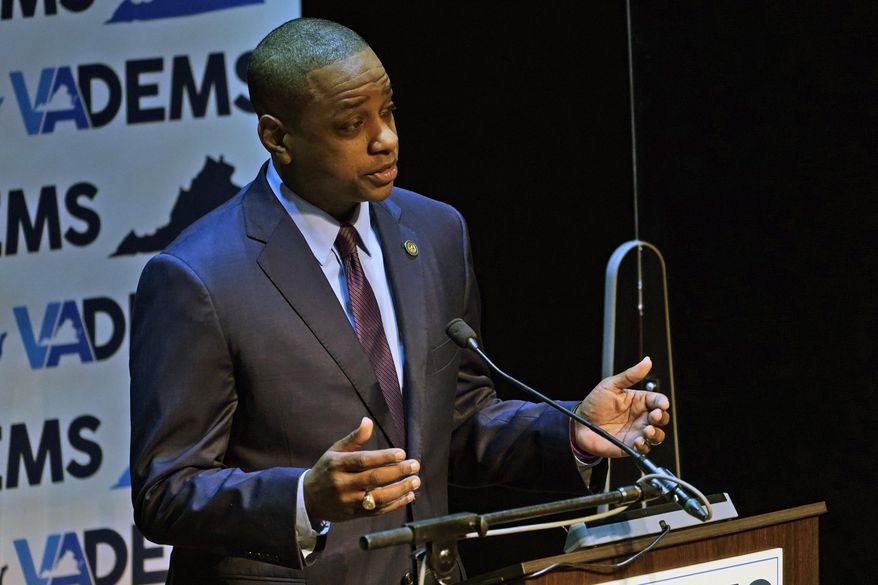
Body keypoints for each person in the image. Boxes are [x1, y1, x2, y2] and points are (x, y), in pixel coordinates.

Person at [129, 17, 670, 585]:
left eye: (387, 112)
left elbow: (458, 424)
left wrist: (571, 433)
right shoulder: (199, 277)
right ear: (277, 137)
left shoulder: (436, 232)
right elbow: (167, 490)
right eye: (350, 125)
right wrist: (302, 499)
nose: (384, 138)